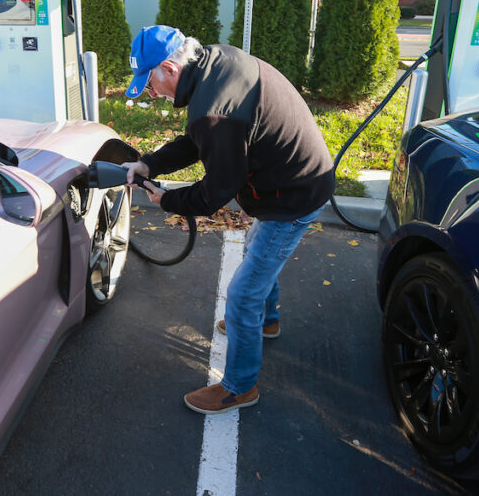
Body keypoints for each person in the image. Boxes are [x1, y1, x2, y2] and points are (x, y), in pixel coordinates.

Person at [123, 25, 334, 415]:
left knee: (242, 295)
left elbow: (218, 189)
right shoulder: (214, 64)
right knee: (258, 252)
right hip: (296, 178)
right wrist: (148, 162)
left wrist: (168, 200)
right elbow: (196, 139)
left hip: (291, 197)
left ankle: (239, 387)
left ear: (170, 68)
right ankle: (267, 322)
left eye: (149, 82)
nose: (151, 94)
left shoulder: (213, 110)